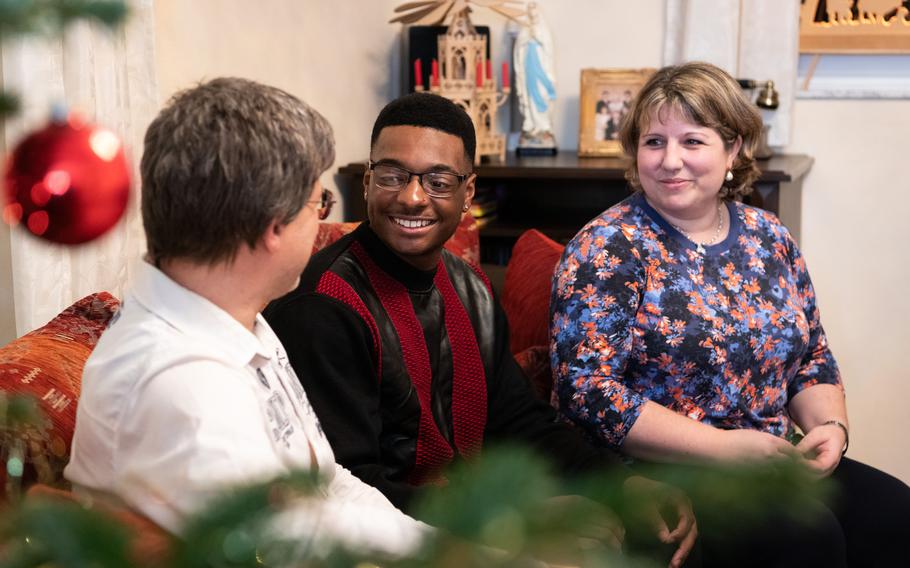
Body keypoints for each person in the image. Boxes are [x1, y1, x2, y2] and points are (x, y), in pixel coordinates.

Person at [265, 92, 698, 567]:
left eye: (437, 180)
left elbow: (521, 421)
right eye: (392, 176)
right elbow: (346, 485)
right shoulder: (323, 305)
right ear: (367, 183)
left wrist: (620, 483)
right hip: (391, 541)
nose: (412, 196)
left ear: (468, 193)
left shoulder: (469, 287)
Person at [550, 61, 910, 567]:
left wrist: (831, 427)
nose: (670, 160)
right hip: (661, 469)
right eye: (654, 142)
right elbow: (587, 393)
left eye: (692, 142)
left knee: (895, 513)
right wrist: (724, 449)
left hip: (771, 454)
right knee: (807, 537)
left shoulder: (768, 235)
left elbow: (811, 356)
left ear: (734, 148)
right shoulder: (607, 247)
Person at [64, 78, 429, 559]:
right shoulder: (185, 390)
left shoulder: (236, 318)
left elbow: (327, 484)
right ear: (271, 227)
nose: (322, 220)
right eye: (319, 203)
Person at [513, 1, 556, 147]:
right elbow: (518, 48)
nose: (533, 16)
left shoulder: (544, 30)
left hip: (541, 70)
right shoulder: (524, 30)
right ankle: (531, 125)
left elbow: (548, 49)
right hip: (528, 70)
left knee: (543, 97)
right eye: (530, 13)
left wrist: (537, 36)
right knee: (529, 98)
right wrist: (526, 37)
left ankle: (543, 127)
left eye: (534, 13)